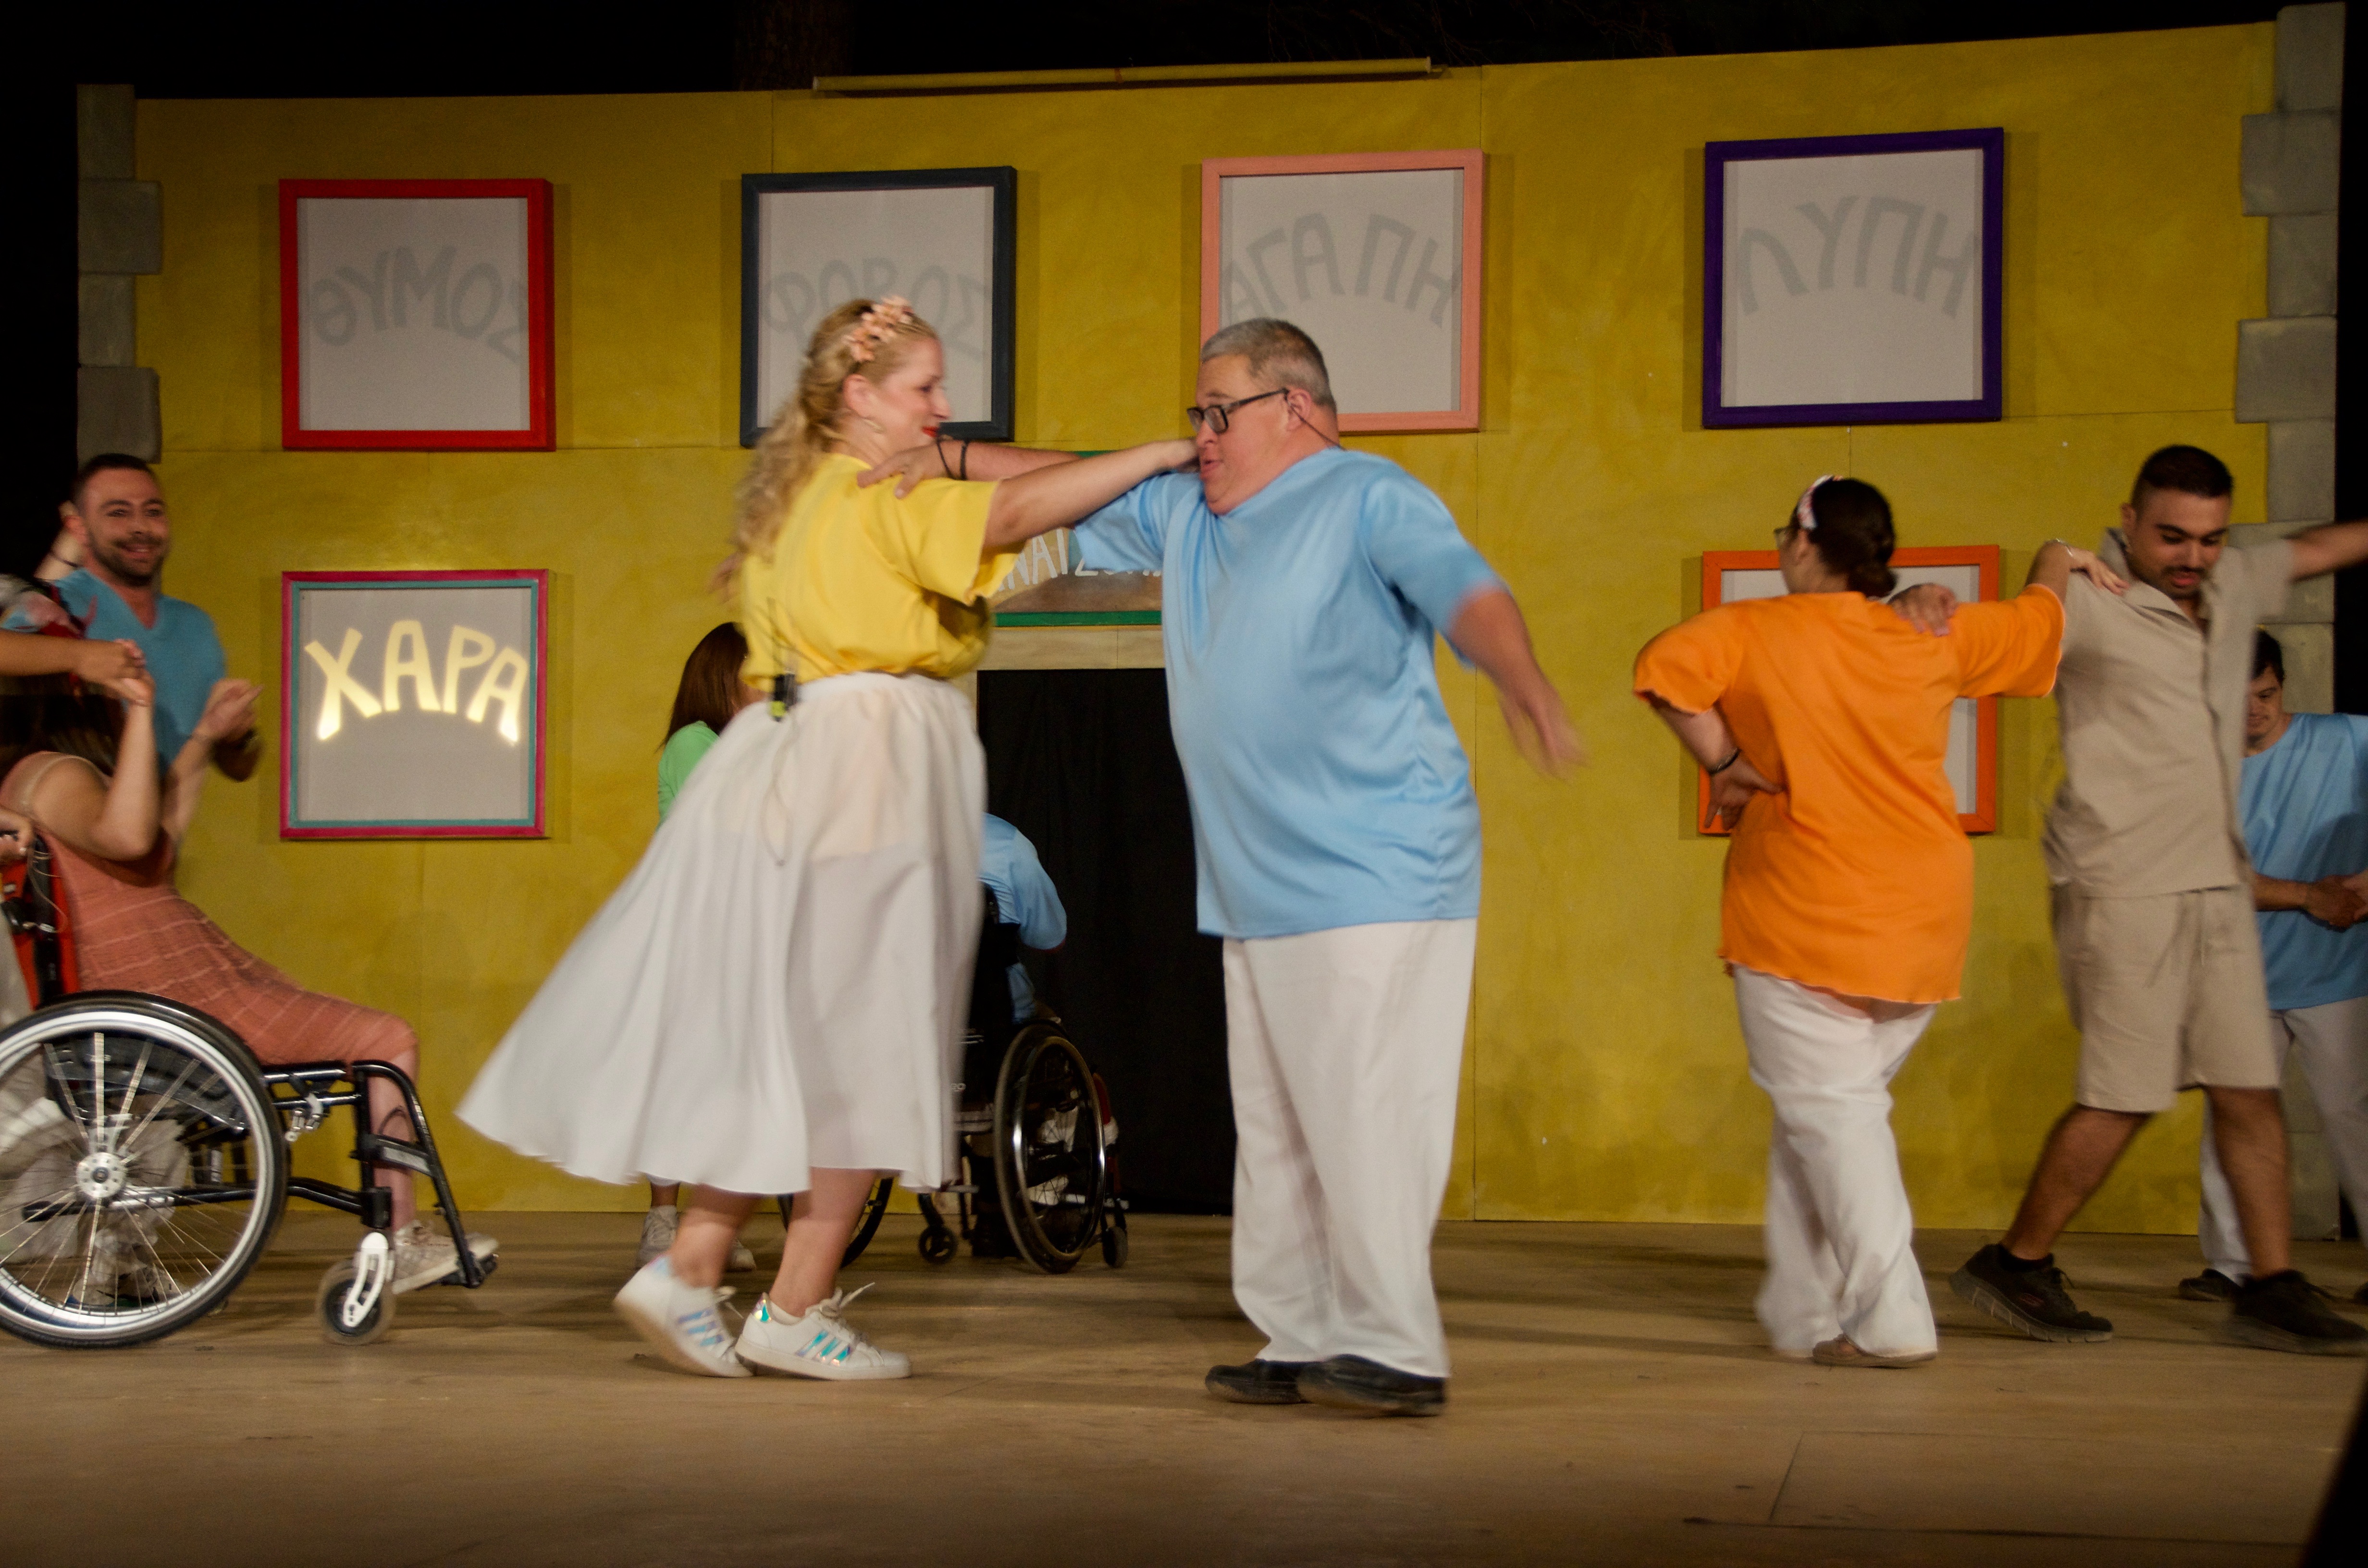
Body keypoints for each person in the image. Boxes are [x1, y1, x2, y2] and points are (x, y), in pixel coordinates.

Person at [459, 296, 1197, 1381]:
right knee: (866, 1048)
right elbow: (1012, 510)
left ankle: (695, 1264)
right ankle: (788, 1306)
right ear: (858, 395)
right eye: (923, 388)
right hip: (868, 769)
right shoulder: (881, 494)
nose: (941, 408)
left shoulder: (791, 507)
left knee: (802, 1041)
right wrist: (1161, 452)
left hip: (793, 759)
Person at [868, 318, 1580, 1415]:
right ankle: (1297, 1332)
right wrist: (948, 456)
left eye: (1217, 413)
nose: (1199, 433)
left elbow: (1465, 592)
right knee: (1280, 1124)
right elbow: (1070, 480)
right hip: (1256, 886)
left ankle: (1396, 1344)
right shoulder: (1191, 511)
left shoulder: (1368, 494)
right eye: (1193, 415)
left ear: (1293, 407)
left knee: (1366, 1111)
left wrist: (1519, 675)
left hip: (1381, 871)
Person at [1634, 477, 2083, 1367]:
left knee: (1834, 1120)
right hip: (1920, 918)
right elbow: (2040, 622)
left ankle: (1891, 1320)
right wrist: (2059, 558)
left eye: (1783, 533)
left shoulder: (1752, 629)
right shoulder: (1932, 633)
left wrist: (1723, 761)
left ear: (1804, 543)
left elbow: (1661, 670)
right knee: (1821, 1120)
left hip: (1804, 912)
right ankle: (1803, 1311)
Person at [1951, 445, 2368, 1355]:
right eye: (2172, 536)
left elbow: (2322, 547)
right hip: (2121, 881)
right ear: (2130, 520)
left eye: (2209, 538)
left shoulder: (2231, 584)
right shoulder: (2090, 599)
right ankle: (2015, 1261)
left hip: (2216, 880)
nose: (2191, 556)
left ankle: (2271, 1283)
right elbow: (2013, 637)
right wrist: (2052, 555)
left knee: (2248, 1087)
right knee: (2125, 1094)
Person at [0, 661, 494, 1295]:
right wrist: (144, 708)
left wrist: (204, 736)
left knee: (362, 1040)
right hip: (172, 989)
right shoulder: (55, 773)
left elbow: (157, 845)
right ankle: (399, 1238)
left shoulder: (44, 777)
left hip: (164, 985)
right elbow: (128, 838)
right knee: (384, 1041)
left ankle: (117, 1261)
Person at [2181, 631, 2368, 1305]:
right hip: (2234, 977)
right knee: (2231, 1117)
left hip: (2336, 974)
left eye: (2266, 694)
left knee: (2352, 1117)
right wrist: (2311, 895)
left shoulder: (2349, 739)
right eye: (2239, 698)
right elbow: (2207, 875)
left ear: (2281, 685)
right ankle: (2233, 1265)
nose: (2255, 710)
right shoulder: (2194, 769)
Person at [3, 455, 259, 784]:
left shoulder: (195, 626)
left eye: (153, 512)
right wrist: (80, 656)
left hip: (166, 817)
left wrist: (237, 738)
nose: (141, 527)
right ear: (79, 529)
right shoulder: (55, 604)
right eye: (118, 513)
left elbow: (239, 769)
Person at [636, 623, 765, 1271]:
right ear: (724, 679)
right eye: (755, 675)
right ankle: (664, 1219)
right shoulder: (695, 743)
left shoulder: (738, 748)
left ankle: (707, 1222)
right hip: (693, 932)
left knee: (726, 1083)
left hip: (728, 931)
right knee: (683, 1078)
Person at [979, 811, 1065, 1021]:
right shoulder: (1007, 840)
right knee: (1049, 1021)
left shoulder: (896, 837)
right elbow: (1050, 941)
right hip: (999, 1016)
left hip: (912, 1019)